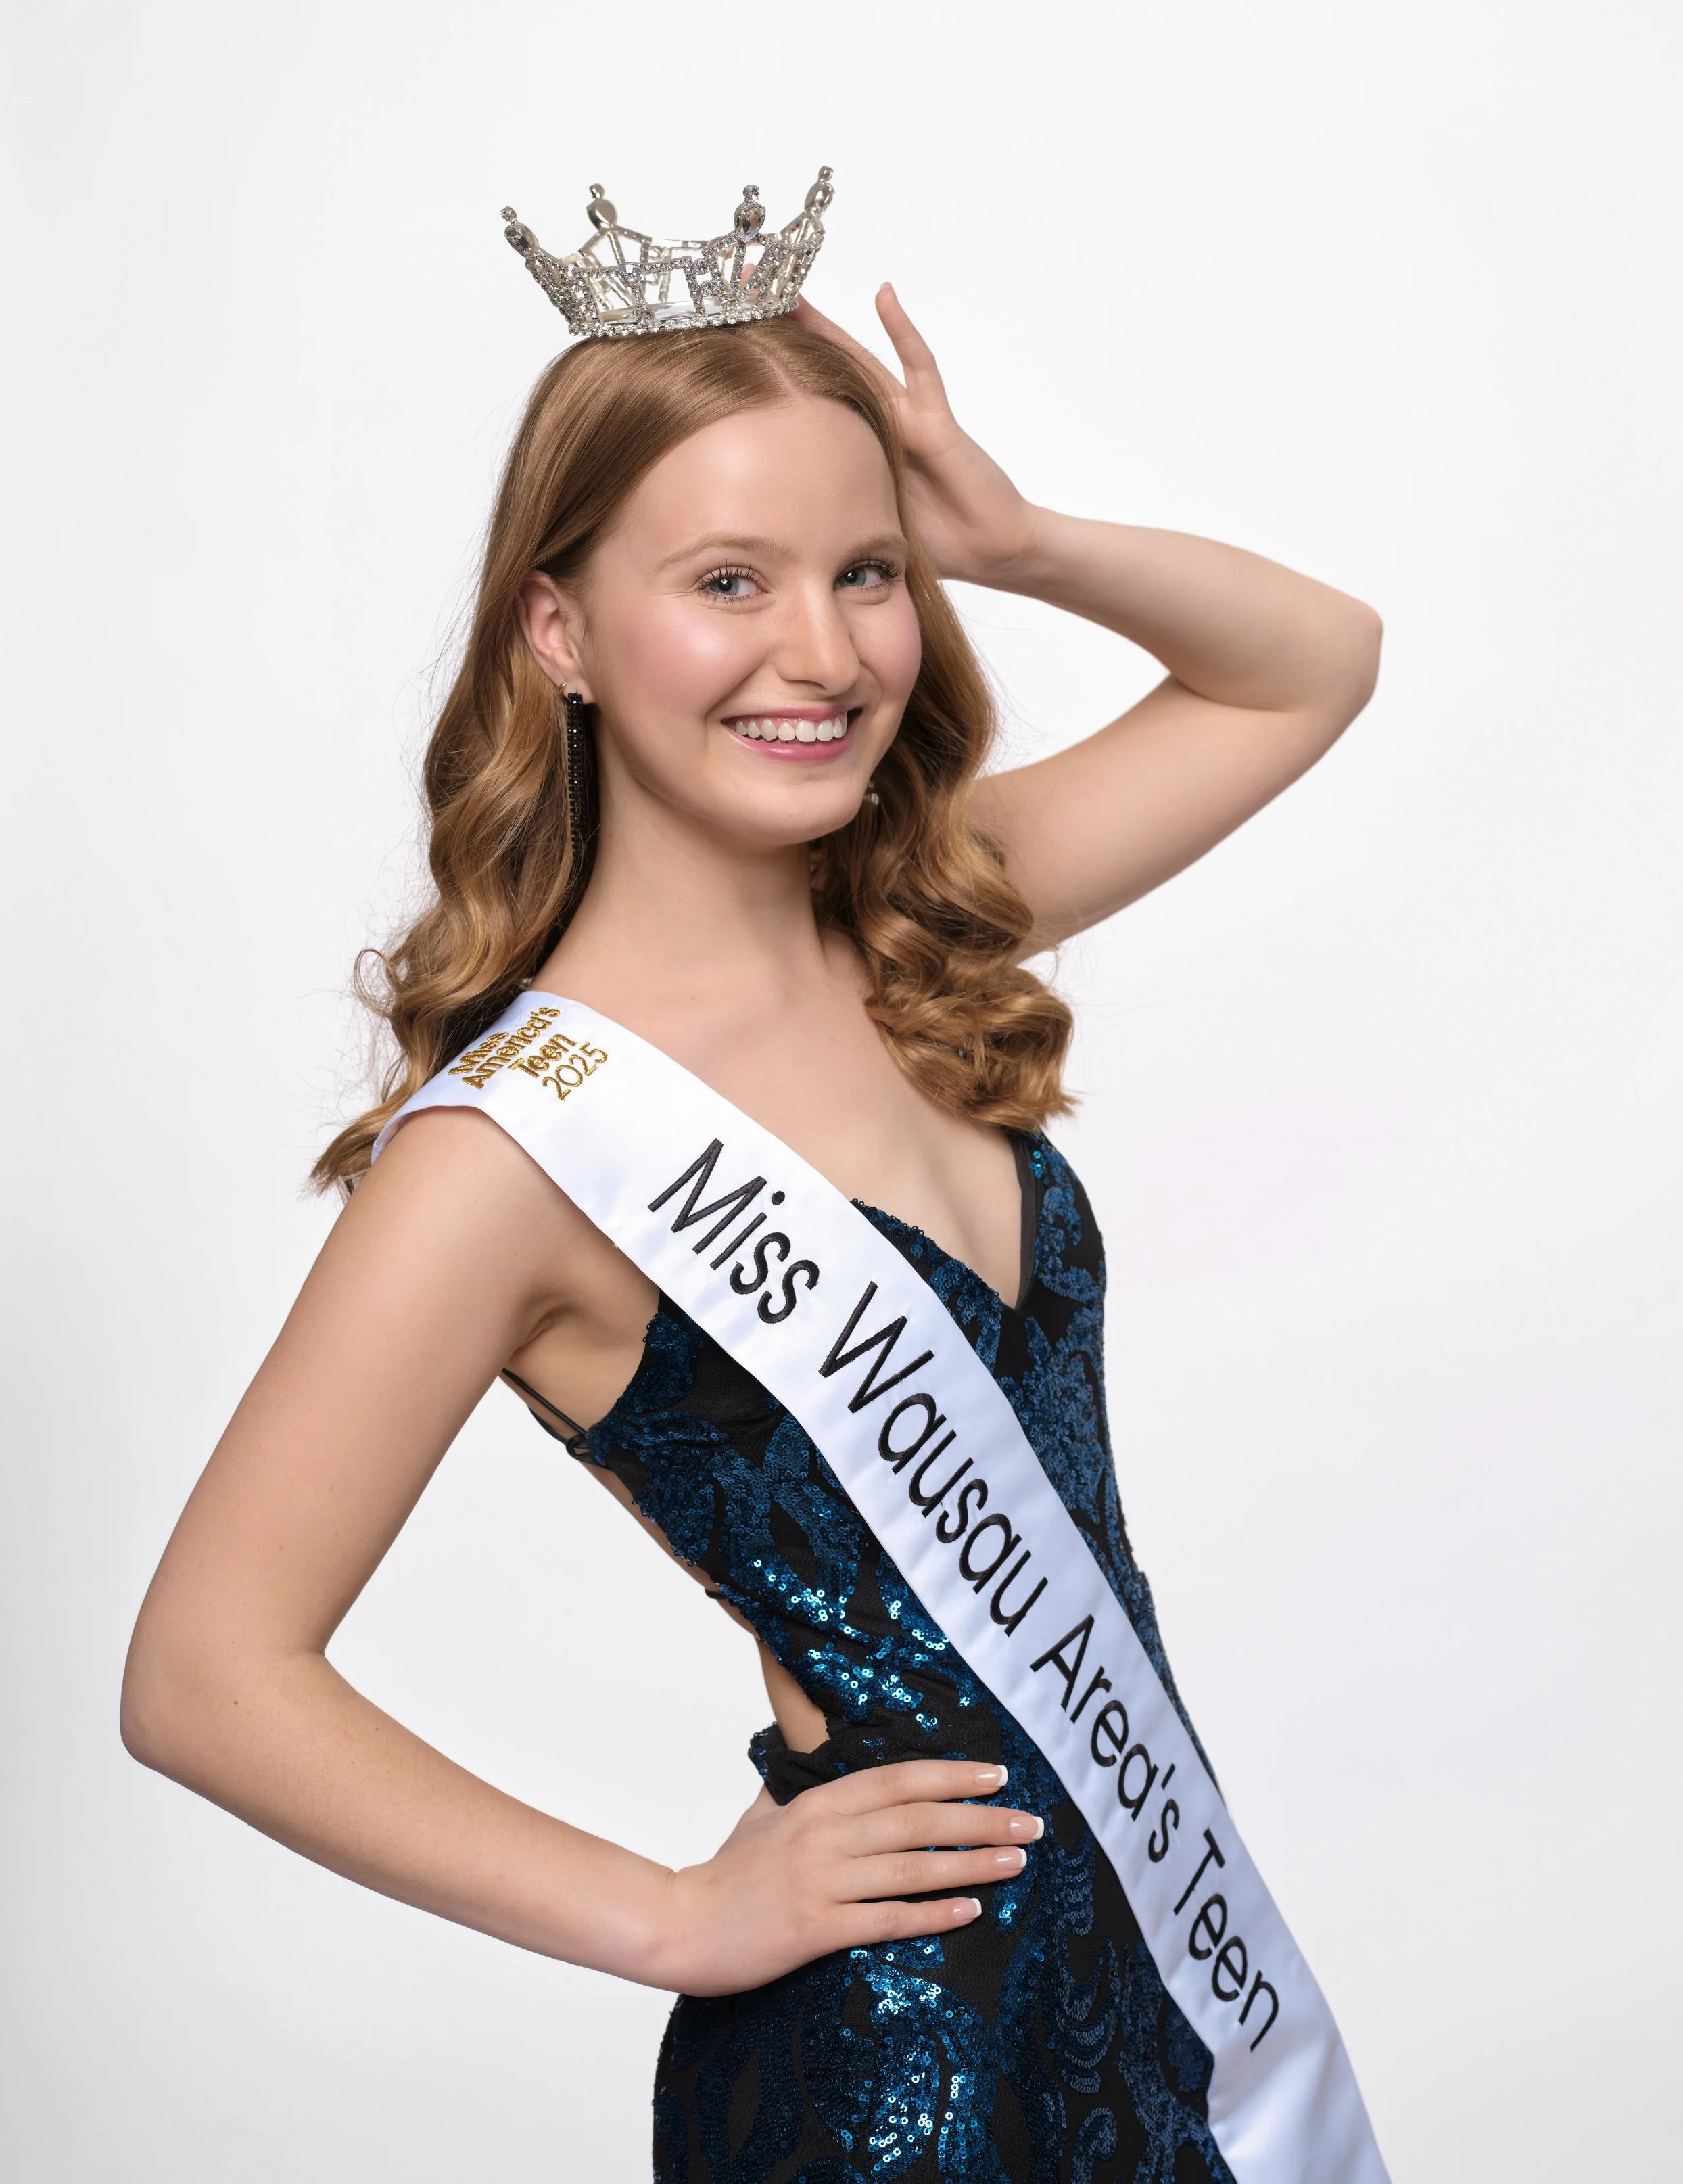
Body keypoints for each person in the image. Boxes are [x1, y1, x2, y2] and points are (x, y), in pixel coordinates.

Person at [122, 173, 1385, 2183]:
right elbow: (203, 1676)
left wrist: (1019, 537)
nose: (822, 649)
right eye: (727, 580)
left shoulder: (925, 934)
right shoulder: (510, 1152)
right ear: (558, 628)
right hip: (891, 2064)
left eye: (864, 574)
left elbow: (1307, 662)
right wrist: (664, 1911)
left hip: (1155, 1970)